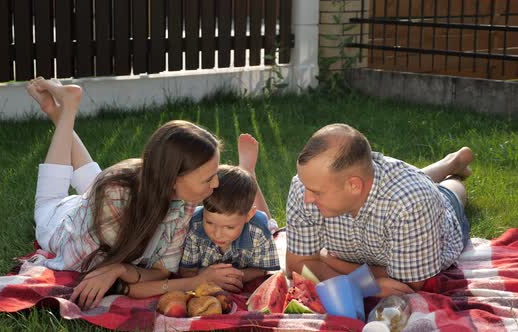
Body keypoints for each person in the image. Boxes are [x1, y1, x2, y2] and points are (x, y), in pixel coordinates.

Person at [26, 77, 241, 309]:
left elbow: (161, 272)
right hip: (65, 221)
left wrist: (121, 269)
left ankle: (56, 111)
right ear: (172, 179)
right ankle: (64, 112)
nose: (217, 184)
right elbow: (98, 268)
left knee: (96, 185)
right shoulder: (115, 195)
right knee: (48, 204)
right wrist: (124, 270)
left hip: (103, 200)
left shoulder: (182, 199)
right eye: (208, 178)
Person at [285, 123, 473, 297]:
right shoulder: (306, 185)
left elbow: (407, 284)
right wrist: (362, 284)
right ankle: (448, 163)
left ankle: (454, 169)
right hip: (391, 190)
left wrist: (332, 262)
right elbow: (295, 266)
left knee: (450, 191)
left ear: (353, 186)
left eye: (317, 193)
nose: (306, 199)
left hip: (442, 215)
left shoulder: (412, 204)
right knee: (411, 184)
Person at [179, 134, 281, 288]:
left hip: (256, 219)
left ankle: (248, 173)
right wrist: (209, 276)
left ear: (248, 216)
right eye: (210, 222)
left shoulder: (258, 230)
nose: (217, 234)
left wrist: (234, 275)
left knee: (269, 224)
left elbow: (262, 269)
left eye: (229, 227)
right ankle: (245, 173)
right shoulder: (194, 225)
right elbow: (186, 271)